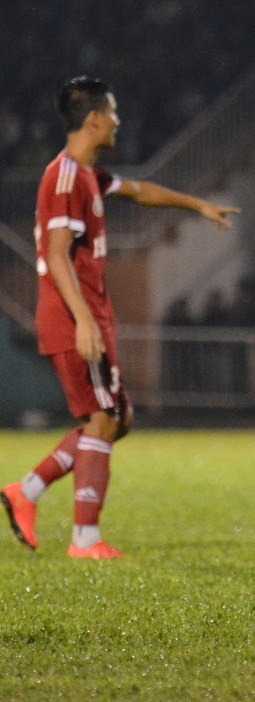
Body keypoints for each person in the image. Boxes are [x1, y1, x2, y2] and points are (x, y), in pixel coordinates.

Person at [1, 76, 239, 559]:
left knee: (117, 418)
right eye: (111, 112)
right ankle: (84, 539)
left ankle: (26, 492)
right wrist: (84, 321)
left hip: (88, 312)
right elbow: (57, 254)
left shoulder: (88, 175)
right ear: (93, 118)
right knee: (104, 417)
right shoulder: (65, 177)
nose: (117, 121)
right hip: (73, 316)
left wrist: (197, 205)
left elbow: (140, 191)